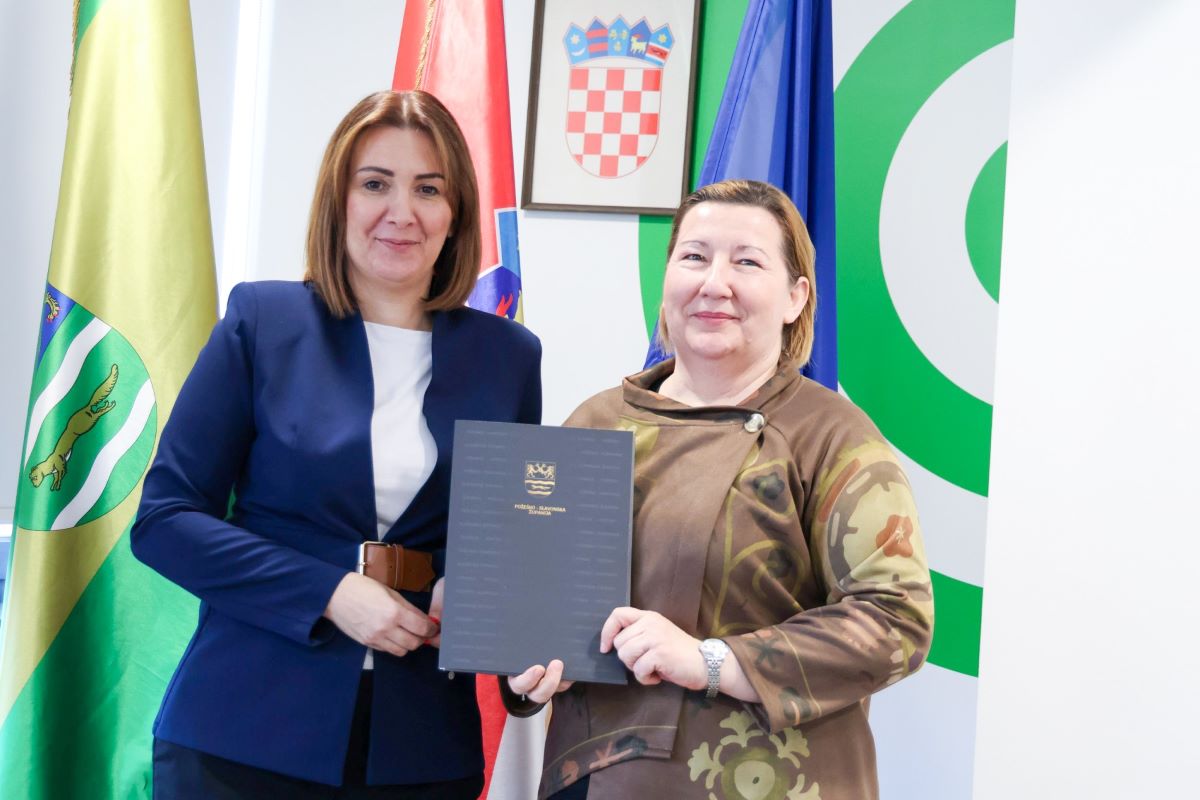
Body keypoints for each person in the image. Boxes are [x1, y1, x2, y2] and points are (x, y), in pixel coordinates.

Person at [131, 90, 541, 798]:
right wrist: (329, 592)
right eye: (375, 184)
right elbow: (164, 521)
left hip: (421, 748)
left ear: (456, 214)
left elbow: (506, 541)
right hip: (246, 732)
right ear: (338, 201)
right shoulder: (263, 321)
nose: (401, 212)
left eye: (428, 189)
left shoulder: (508, 357)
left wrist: (479, 597)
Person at [505, 179, 933, 800]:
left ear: (795, 297)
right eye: (695, 257)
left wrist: (712, 661)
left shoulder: (832, 436)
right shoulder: (595, 423)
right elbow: (540, 605)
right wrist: (528, 661)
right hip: (597, 778)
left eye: (747, 262)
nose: (714, 283)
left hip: (773, 781)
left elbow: (896, 619)